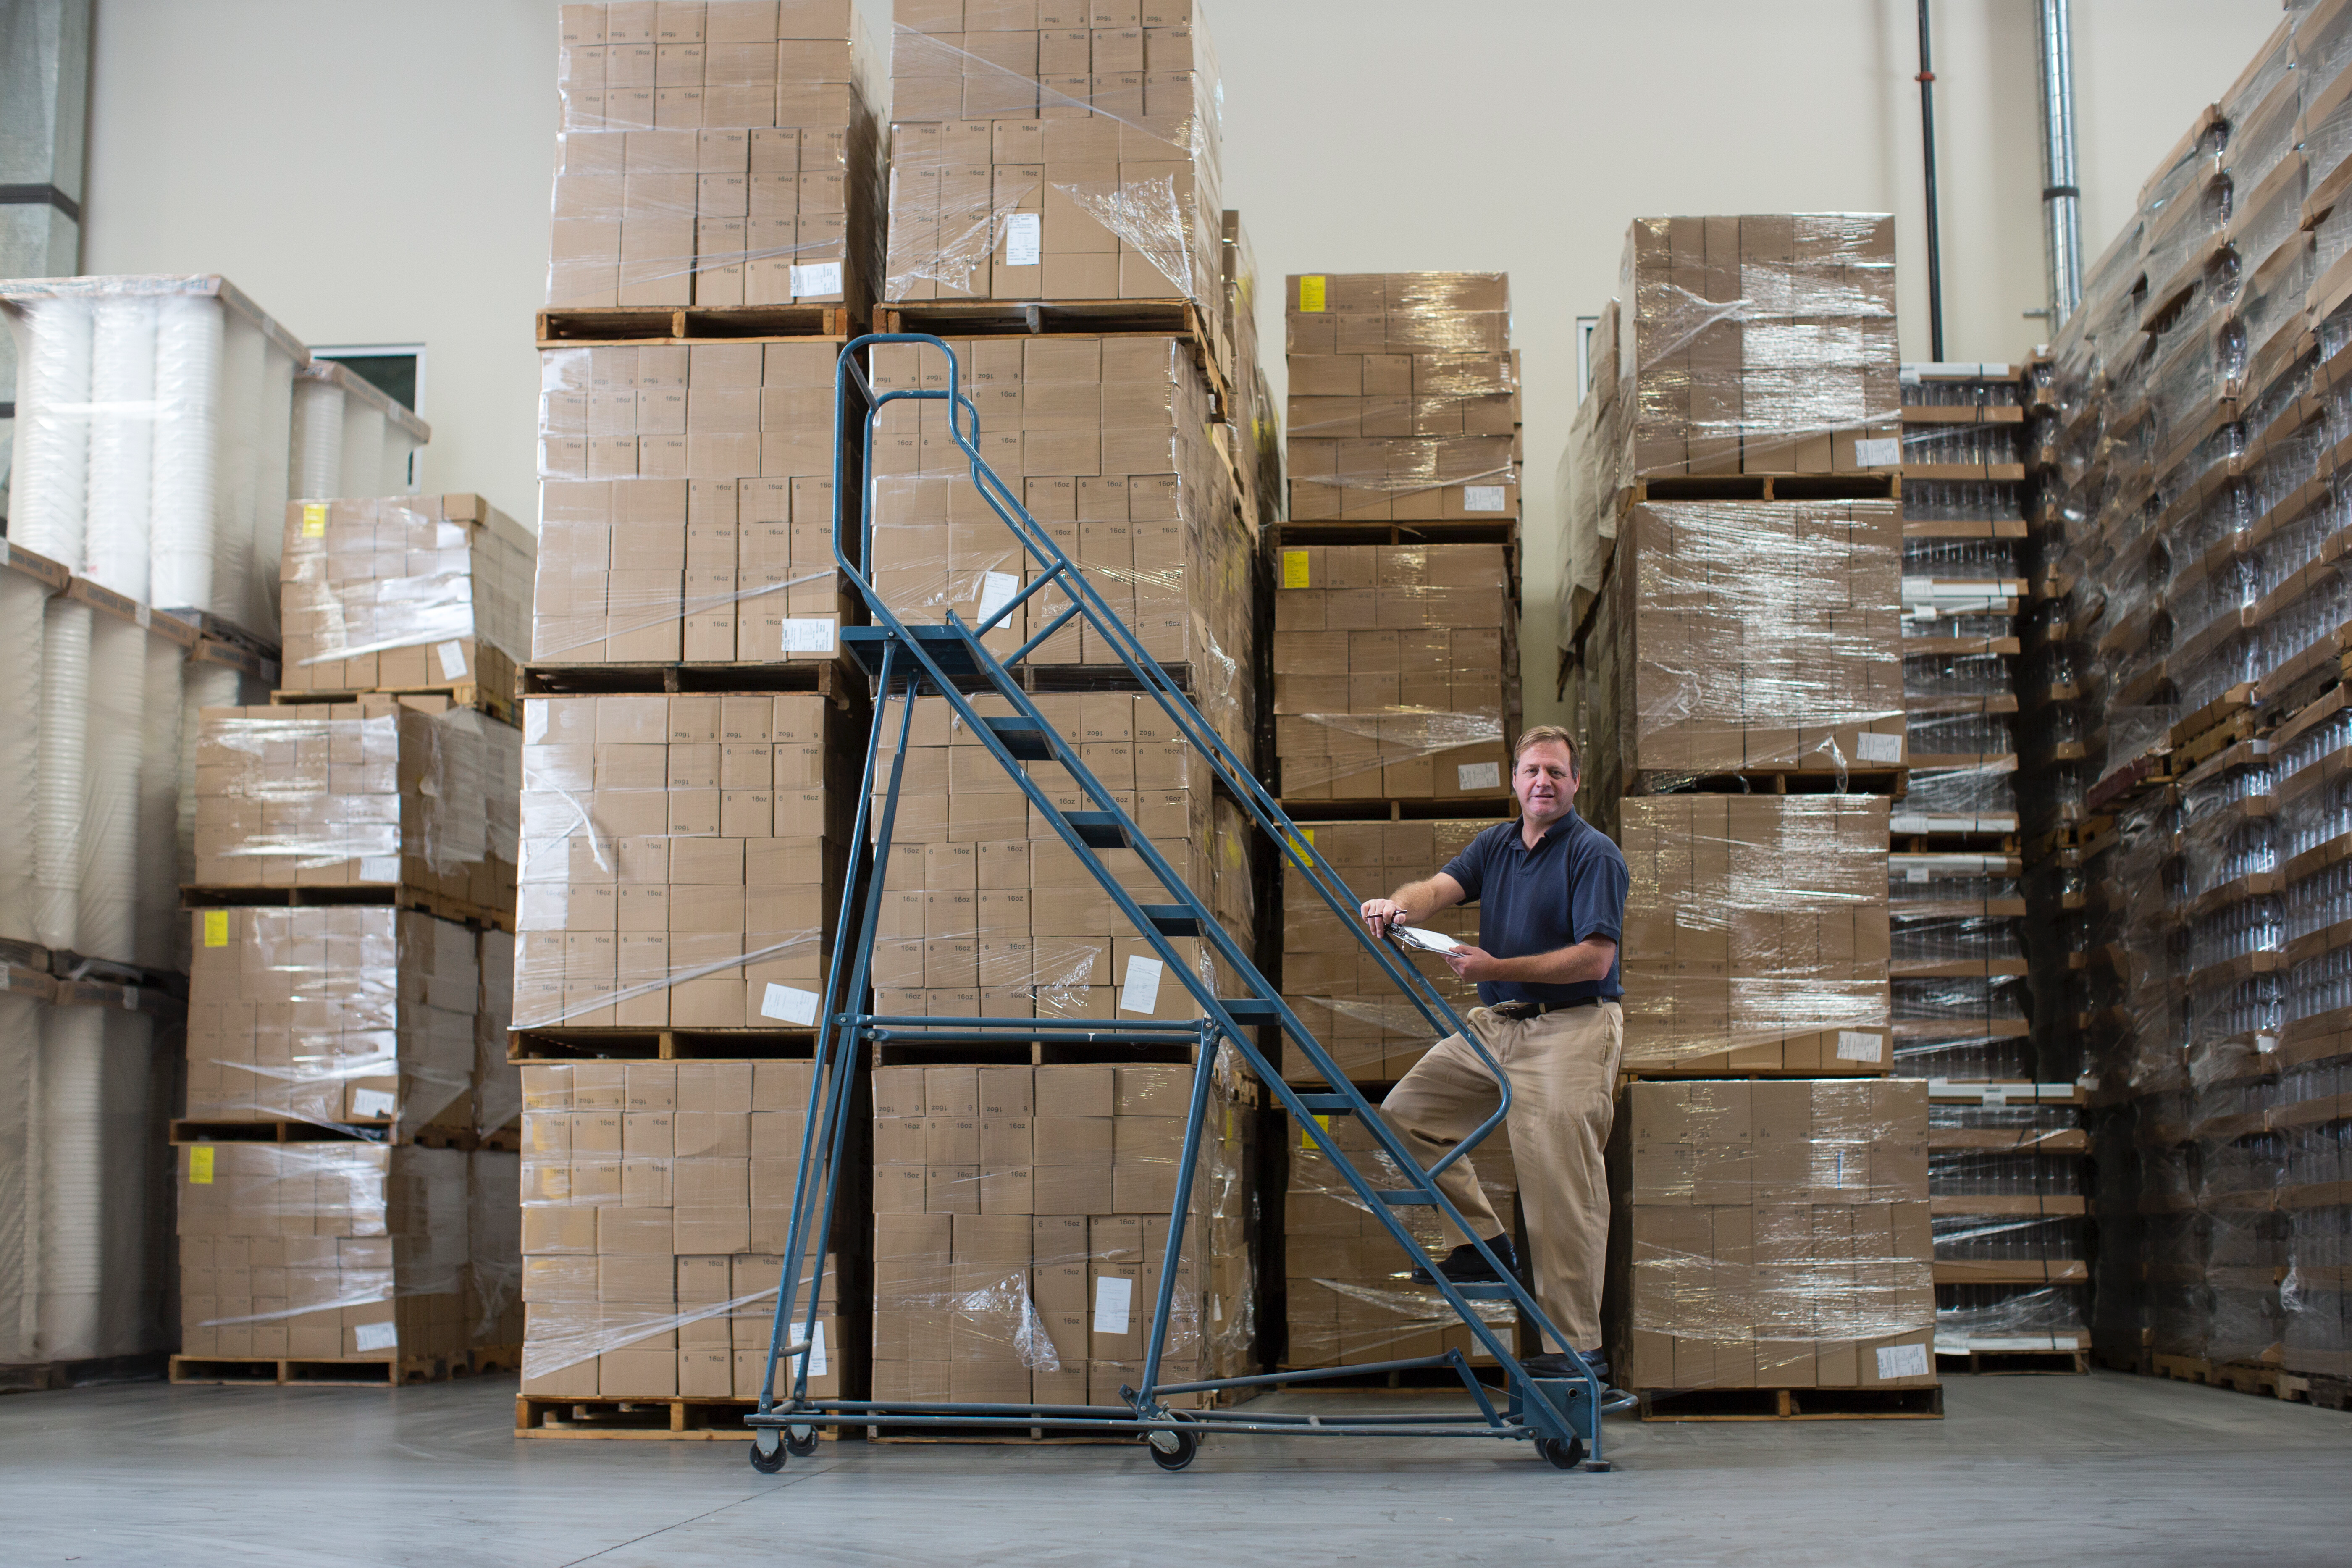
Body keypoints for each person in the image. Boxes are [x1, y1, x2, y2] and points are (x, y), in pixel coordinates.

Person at [1357, 725, 1626, 1383]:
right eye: (1533, 771)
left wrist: (1496, 963)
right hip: (1498, 1025)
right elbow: (1439, 888)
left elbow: (1596, 958)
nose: (1543, 783)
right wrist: (1398, 904)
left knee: (1559, 1190)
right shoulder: (1498, 845)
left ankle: (1575, 1351)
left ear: (1574, 783)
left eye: (1556, 774)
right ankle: (1480, 1245)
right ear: (1514, 780)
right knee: (1408, 1112)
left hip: (1571, 1027)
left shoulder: (1594, 855)